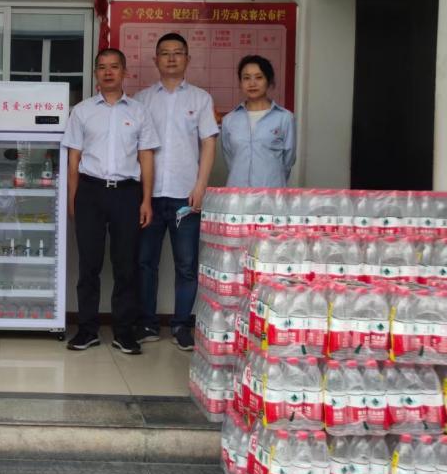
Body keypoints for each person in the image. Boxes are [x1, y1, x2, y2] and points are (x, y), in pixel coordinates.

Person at [63, 48, 159, 355]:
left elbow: (146, 157)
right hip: (90, 193)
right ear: (95, 74)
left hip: (127, 194)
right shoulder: (82, 111)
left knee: (125, 265)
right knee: (88, 265)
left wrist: (146, 200)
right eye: (102, 67)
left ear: (124, 72)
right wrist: (72, 199)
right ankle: (87, 329)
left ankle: (124, 332)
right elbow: (73, 159)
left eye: (114, 67)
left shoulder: (139, 112)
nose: (108, 72)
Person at [135, 33, 218, 351]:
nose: (171, 58)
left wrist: (200, 186)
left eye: (177, 53)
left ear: (187, 59)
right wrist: (141, 194)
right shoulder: (142, 100)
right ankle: (147, 323)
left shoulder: (200, 99)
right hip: (150, 196)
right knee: (145, 262)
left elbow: (208, 143)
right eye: (165, 53)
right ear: (155, 60)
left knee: (186, 264)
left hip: (186, 195)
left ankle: (182, 325)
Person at [220, 54, 297, 188]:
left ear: (269, 81)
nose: (252, 83)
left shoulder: (284, 118)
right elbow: (230, 159)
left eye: (259, 77)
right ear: (240, 83)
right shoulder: (229, 120)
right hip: (237, 192)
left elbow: (288, 161)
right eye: (246, 78)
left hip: (271, 192)